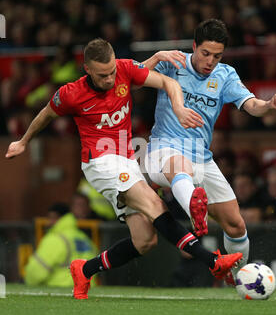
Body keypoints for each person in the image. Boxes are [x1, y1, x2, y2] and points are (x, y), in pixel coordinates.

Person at [6, 38, 242, 299]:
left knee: (145, 241)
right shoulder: (71, 93)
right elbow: (46, 113)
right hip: (100, 162)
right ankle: (212, 262)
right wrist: (23, 141)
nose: (109, 79)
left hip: (127, 160)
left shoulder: (123, 69)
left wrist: (178, 106)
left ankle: (85, 270)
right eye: (102, 75)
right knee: (156, 206)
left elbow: (168, 82)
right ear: (87, 69)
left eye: (111, 73)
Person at [143, 19, 276, 285]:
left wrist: (268, 104)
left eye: (217, 56)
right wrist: (155, 57)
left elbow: (251, 104)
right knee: (179, 166)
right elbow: (128, 78)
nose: (210, 61)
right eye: (205, 53)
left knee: (236, 225)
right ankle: (194, 210)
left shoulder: (225, 75)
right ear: (194, 47)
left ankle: (238, 278)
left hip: (202, 159)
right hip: (163, 151)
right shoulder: (172, 62)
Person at [24, 203, 98, 287]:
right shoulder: (84, 238)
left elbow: (35, 271)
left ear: (62, 218)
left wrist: (28, 281)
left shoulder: (56, 239)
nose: (49, 222)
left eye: (52, 218)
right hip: (87, 290)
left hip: (61, 289)